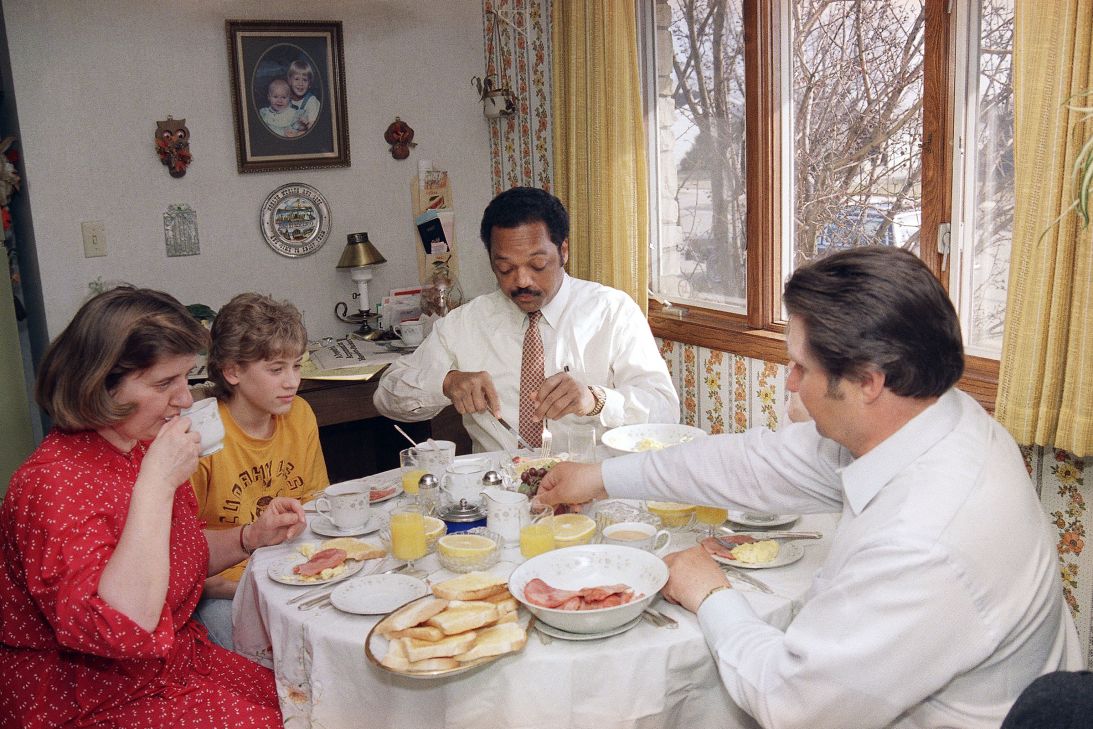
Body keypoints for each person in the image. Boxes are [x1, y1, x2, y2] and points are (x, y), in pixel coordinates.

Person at [538, 246, 1082, 729]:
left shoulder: (923, 540)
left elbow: (791, 704)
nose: (791, 383)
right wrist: (602, 477)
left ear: (868, 381)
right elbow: (754, 464)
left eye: (801, 367)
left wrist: (710, 594)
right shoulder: (936, 414)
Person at [0, 286, 306, 727]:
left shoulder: (137, 445)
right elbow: (124, 627)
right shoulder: (52, 483)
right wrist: (157, 484)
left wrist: (248, 537)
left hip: (172, 663)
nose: (185, 399)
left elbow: (176, 556)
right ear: (100, 385)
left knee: (309, 702)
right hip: (90, 698)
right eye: (165, 384)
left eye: (185, 378)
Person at [373, 186, 679, 453]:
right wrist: (445, 382)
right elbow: (386, 395)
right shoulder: (466, 322)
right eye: (505, 268)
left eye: (538, 264)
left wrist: (596, 400)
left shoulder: (612, 312)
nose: (521, 281)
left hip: (589, 485)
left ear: (564, 251)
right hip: (498, 490)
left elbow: (665, 410)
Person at [190, 292, 329, 650]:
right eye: (276, 369)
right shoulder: (202, 436)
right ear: (232, 371)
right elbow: (180, 559)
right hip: (224, 588)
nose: (291, 381)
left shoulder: (300, 414)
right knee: (261, 661)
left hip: (292, 573)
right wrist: (248, 589)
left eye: (296, 366)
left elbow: (316, 506)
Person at [287, 59, 320, 134]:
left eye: (305, 80)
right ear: (290, 81)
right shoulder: (286, 98)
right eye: (296, 79)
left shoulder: (312, 101)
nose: (300, 83)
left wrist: (306, 124)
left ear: (310, 84)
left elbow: (313, 128)